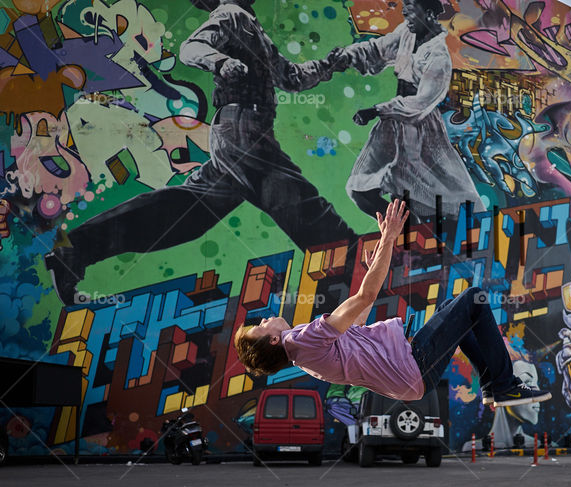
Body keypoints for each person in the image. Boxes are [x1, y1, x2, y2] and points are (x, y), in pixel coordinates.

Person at [45, 0, 350, 305]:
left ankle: (75, 250)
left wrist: (328, 66)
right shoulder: (231, 14)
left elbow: (290, 77)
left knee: (188, 212)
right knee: (298, 202)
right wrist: (219, 62)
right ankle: (353, 269)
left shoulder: (252, 27)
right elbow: (191, 47)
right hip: (243, 129)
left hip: (237, 132)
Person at [234, 199, 550, 408]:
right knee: (474, 299)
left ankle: (493, 385)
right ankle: (504, 385)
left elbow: (357, 319)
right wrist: (388, 238)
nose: (263, 321)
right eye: (259, 328)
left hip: (410, 380)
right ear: (273, 339)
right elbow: (364, 296)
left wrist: (377, 265)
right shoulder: (302, 340)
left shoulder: (305, 355)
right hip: (413, 366)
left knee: (455, 316)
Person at [322, 0, 481, 220]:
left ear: (428, 12)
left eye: (410, 5)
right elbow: (378, 50)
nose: (404, 10)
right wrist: (347, 56)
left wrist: (376, 110)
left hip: (419, 130)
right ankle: (404, 231)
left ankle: (412, 236)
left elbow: (420, 104)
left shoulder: (438, 56)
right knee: (359, 188)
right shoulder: (407, 32)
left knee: (419, 193)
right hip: (392, 124)